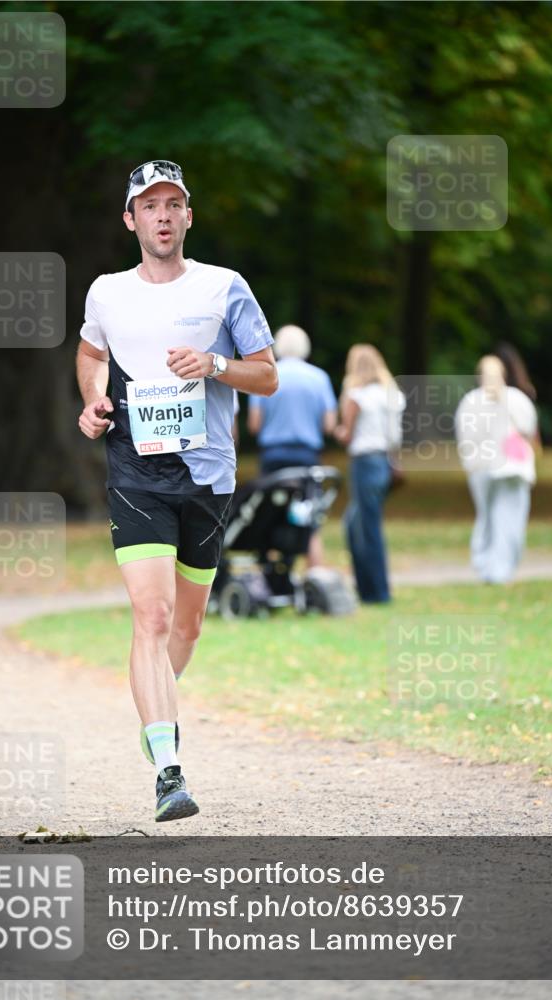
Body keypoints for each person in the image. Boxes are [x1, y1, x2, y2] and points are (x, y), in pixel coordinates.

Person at [76, 160, 276, 822]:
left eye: (173, 203)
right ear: (130, 219)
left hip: (208, 476)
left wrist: (216, 364)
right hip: (135, 471)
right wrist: (93, 400)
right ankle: (168, 768)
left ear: (188, 216)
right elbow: (89, 352)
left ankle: (155, 705)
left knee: (186, 624)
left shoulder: (225, 288)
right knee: (152, 616)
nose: (162, 214)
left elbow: (267, 377)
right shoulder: (106, 292)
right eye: (149, 204)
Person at [247, 324, 337, 567]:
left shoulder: (267, 376)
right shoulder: (319, 378)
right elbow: (329, 425)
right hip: (306, 456)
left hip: (274, 455)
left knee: (269, 514)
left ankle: (271, 574)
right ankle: (315, 576)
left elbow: (254, 424)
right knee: (310, 518)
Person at [455, 355, 537, 584]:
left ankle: (486, 565)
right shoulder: (516, 399)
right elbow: (528, 429)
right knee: (509, 517)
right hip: (511, 468)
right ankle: (500, 569)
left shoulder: (471, 401)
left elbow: (465, 438)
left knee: (487, 517)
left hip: (481, 468)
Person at [334, 345, 404, 604]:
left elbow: (347, 434)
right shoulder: (391, 395)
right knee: (355, 524)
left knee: (367, 529)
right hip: (384, 462)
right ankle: (368, 588)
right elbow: (396, 437)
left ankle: (376, 592)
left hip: (364, 462)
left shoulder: (357, 395)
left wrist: (336, 430)